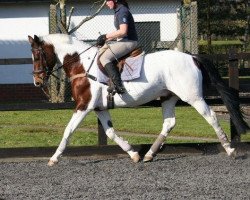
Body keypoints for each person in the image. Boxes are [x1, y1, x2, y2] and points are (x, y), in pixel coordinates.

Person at [96, 0, 138, 94]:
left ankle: (118, 85)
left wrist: (106, 36)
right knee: (101, 50)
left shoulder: (122, 11)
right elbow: (119, 34)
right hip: (122, 41)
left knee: (104, 58)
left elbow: (123, 32)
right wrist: (106, 40)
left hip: (129, 42)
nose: (106, 3)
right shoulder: (117, 11)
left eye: (107, 1)